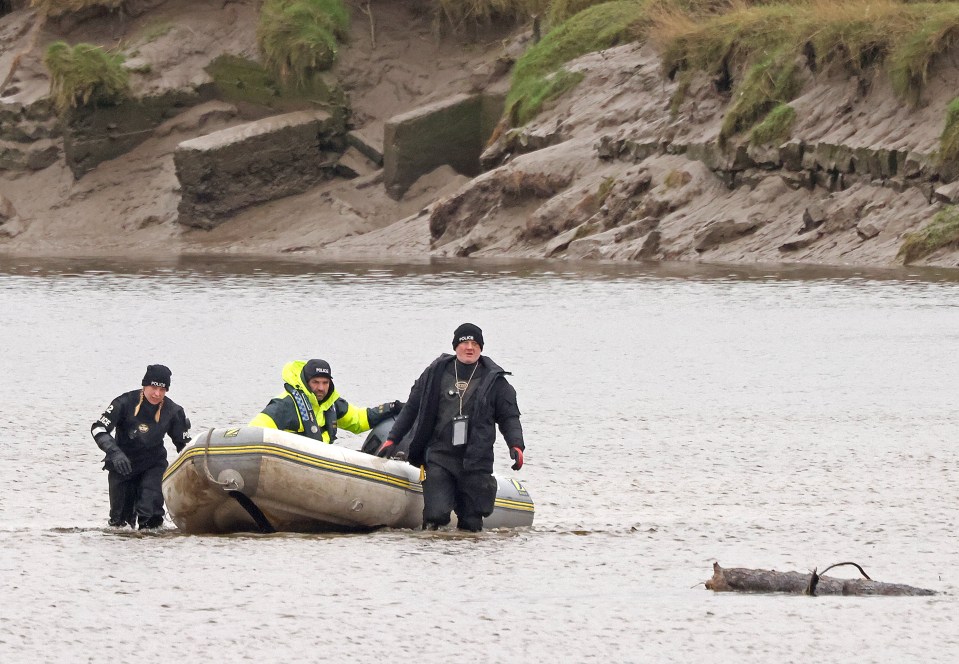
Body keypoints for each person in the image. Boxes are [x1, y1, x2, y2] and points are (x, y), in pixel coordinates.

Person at [376, 323, 525, 532]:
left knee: (472, 525)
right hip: (439, 457)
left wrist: (517, 446)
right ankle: (434, 557)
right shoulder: (435, 373)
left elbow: (510, 419)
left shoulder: (497, 383)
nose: (469, 347)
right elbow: (411, 408)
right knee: (435, 516)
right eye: (465, 342)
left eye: (475, 343)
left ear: (481, 348)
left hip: (476, 462)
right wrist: (393, 438)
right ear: (456, 346)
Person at [91, 364, 191, 529]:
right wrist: (114, 453)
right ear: (144, 385)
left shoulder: (174, 411)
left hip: (153, 465)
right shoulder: (123, 402)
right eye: (153, 387)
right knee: (119, 524)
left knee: (150, 513)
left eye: (162, 390)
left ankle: (153, 545)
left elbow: (185, 446)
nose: (157, 394)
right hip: (122, 464)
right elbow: (98, 428)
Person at [249, 359, 402, 442]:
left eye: (325, 382)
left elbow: (359, 420)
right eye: (316, 382)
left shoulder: (333, 404)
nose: (321, 388)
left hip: (321, 468)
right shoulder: (285, 405)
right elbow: (253, 432)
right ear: (306, 382)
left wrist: (392, 407)